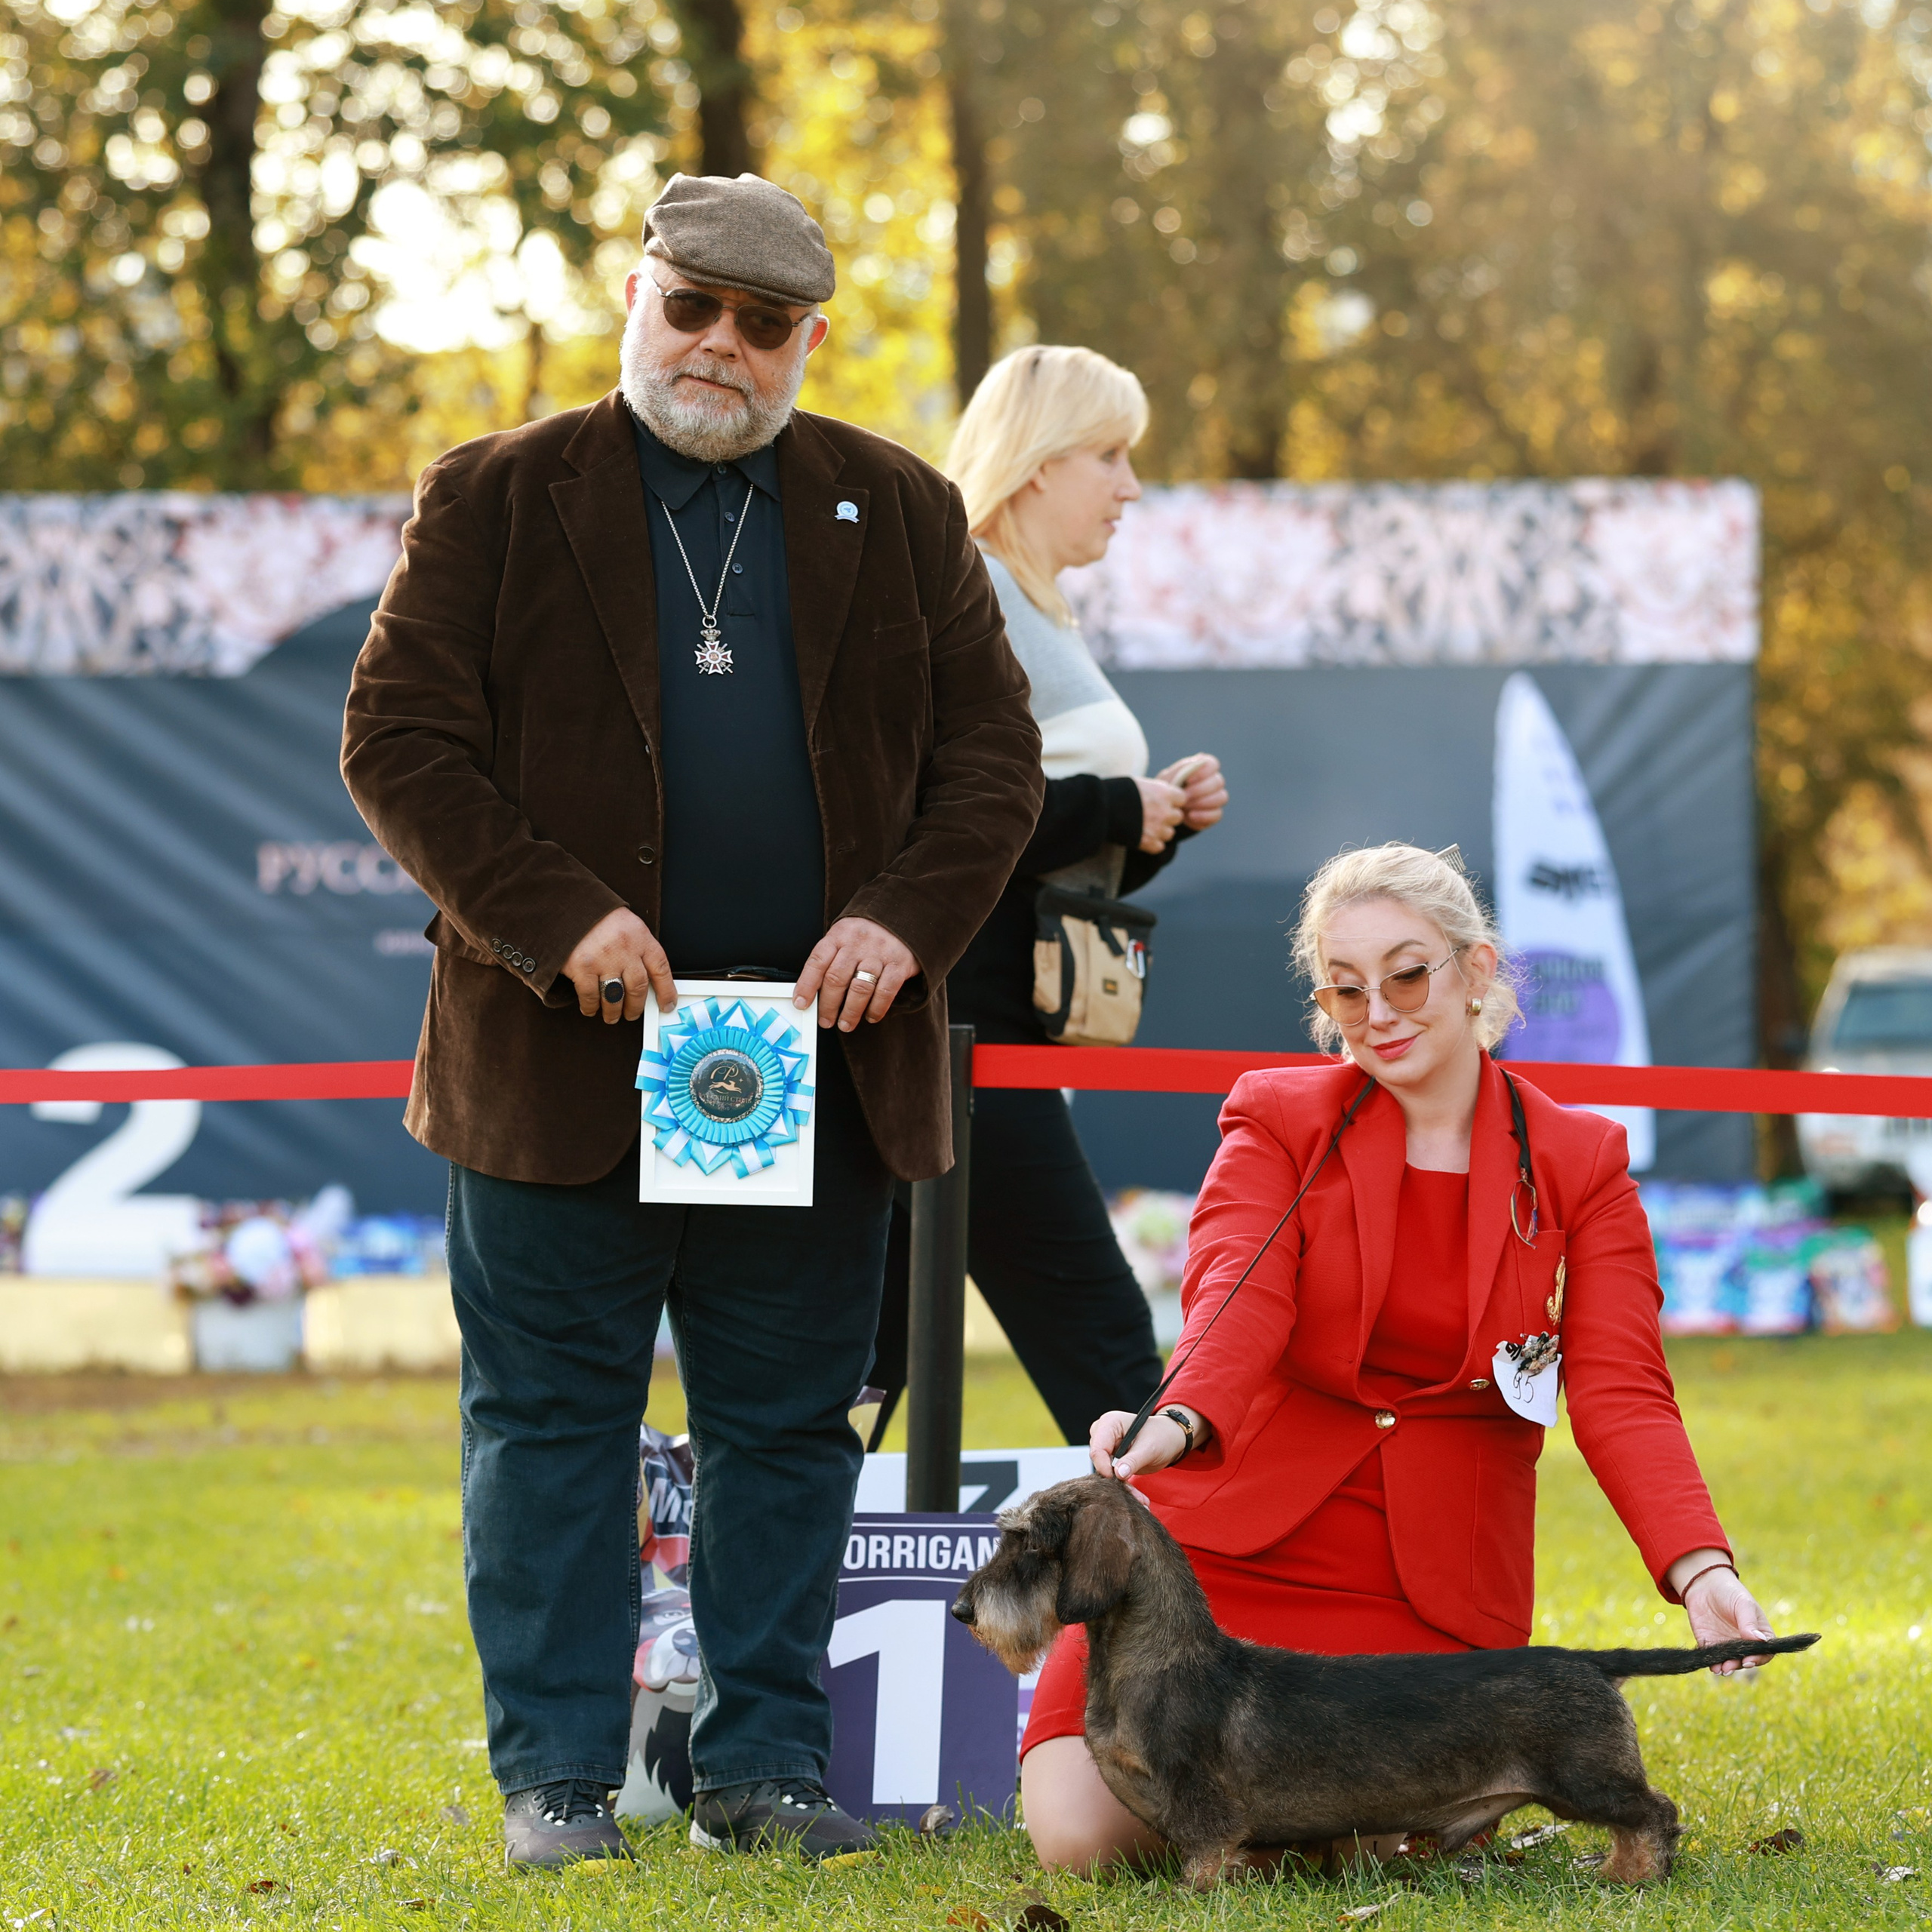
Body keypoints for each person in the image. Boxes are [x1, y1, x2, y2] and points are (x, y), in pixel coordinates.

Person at [341, 172, 1043, 1868]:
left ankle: (768, 1767)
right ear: (636, 297)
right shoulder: (495, 495)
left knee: (786, 1428)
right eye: (690, 306)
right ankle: (559, 1779)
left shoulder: (900, 505)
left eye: (761, 321)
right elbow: (398, 743)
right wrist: (557, 914)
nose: (719, 347)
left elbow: (992, 763)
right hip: (551, 1065)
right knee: (546, 1427)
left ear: (807, 337)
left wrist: (899, 918)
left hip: (816, 1068)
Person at [1018, 841, 1784, 1871]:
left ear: (1477, 970)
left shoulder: (1579, 1160)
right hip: (1230, 1556)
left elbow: (1620, 1388)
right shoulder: (1278, 1117)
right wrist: (1178, 1419)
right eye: (1346, 990)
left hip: (1428, 1580)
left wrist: (1702, 1569)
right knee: (1083, 1840)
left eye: (1408, 974)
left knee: (1376, 1841)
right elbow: (1232, 1299)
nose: (1378, 1011)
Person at [868, 346, 1230, 1446]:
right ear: (1034, 465)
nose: (1130, 486)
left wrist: (1148, 824)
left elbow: (1025, 852)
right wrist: (1118, 808)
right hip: (954, 1035)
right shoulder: (965, 585)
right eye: (1110, 455)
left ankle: (734, 1590)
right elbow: (933, 816)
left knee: (849, 1365)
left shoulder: (1034, 602)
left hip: (968, 1030)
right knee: (1109, 1354)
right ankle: (1192, 1596)